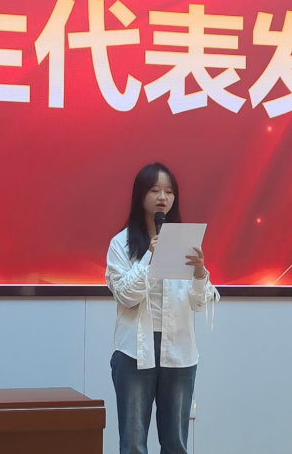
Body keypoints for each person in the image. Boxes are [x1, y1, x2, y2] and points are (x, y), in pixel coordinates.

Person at [106, 162, 220, 454]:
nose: (162, 197)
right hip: (134, 351)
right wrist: (149, 256)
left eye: (169, 191)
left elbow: (198, 303)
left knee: (175, 443)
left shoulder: (184, 242)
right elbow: (126, 296)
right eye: (155, 190)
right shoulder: (121, 244)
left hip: (179, 350)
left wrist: (200, 274)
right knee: (133, 443)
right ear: (140, 195)